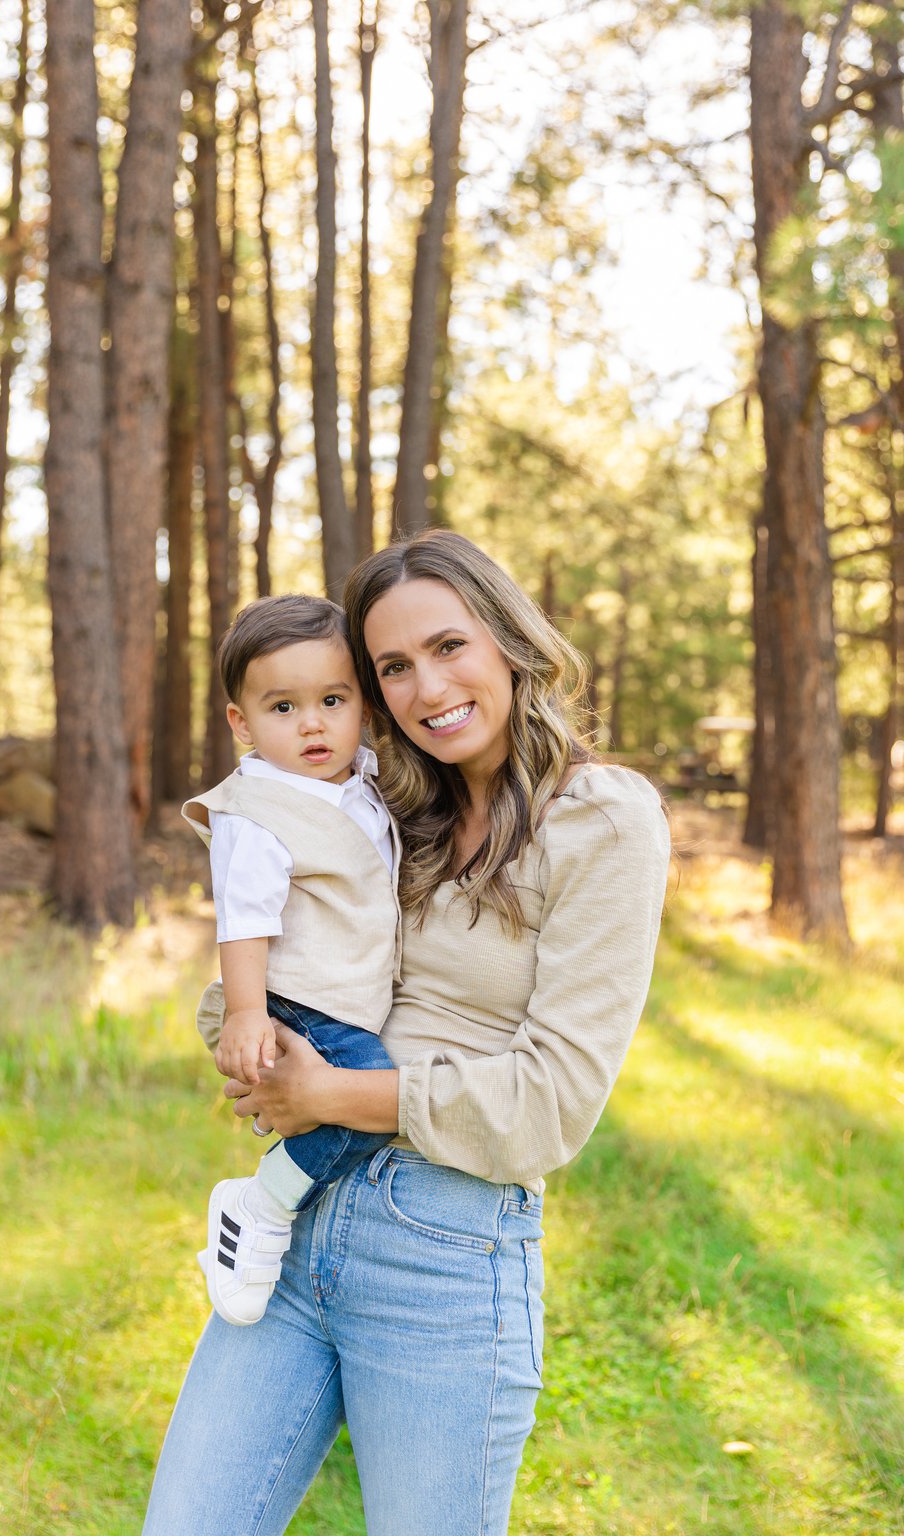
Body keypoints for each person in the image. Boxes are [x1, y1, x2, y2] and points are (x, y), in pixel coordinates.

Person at [143, 530, 670, 1536]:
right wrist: (255, 1031)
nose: (427, 688)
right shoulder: (384, 808)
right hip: (297, 1230)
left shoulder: (601, 819)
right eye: (392, 667)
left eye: (448, 646)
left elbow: (548, 1108)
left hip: (446, 1252)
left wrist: (325, 1091)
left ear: (508, 638)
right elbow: (242, 996)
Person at [181, 593, 401, 1326]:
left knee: (357, 1101)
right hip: (302, 997)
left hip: (347, 992)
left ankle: (281, 1206)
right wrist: (247, 1012)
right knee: (364, 1098)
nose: (313, 723)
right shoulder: (257, 812)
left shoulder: (361, 783)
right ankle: (260, 1207)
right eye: (283, 707)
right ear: (241, 723)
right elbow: (244, 920)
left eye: (333, 700)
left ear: (362, 705)